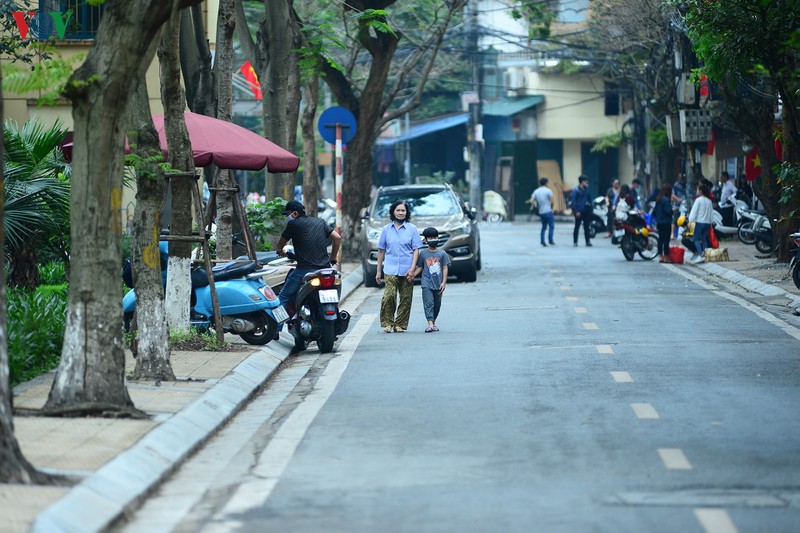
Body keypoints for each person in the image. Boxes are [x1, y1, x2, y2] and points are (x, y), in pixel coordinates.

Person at [276, 199, 342, 319]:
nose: (286, 217)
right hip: (325, 270)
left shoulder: (293, 224)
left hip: (304, 270)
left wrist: (280, 251)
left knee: (284, 297)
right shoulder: (320, 222)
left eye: (287, 214)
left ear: (294, 214)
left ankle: (276, 328)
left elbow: (280, 244)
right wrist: (332, 258)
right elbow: (337, 238)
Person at [376, 200, 423, 333]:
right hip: (390, 268)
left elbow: (416, 250)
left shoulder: (412, 229)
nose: (401, 213)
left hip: (407, 269)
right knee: (389, 295)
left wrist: (413, 268)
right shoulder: (386, 230)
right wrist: (378, 271)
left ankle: (400, 324)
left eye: (403, 210)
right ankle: (387, 322)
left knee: (406, 298)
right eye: (398, 210)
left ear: (407, 213)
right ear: (393, 212)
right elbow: (381, 251)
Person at [414, 227, 450, 332]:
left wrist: (444, 282)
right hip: (426, 283)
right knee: (428, 303)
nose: (433, 239)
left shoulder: (442, 254)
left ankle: (433, 322)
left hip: (438, 284)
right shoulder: (423, 254)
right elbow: (420, 267)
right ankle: (430, 324)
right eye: (430, 238)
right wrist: (412, 275)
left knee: (437, 304)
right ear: (425, 240)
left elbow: (445, 267)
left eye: (435, 237)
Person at [688, 184, 713, 264]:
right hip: (707, 223)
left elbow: (694, 211)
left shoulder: (698, 200)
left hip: (700, 222)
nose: (697, 191)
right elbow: (711, 213)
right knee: (704, 239)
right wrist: (711, 222)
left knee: (695, 238)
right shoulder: (709, 201)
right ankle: (705, 254)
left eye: (698, 190)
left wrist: (690, 220)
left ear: (701, 191)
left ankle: (700, 253)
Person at [530, 177, 555, 246]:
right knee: (551, 226)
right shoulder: (548, 191)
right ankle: (550, 240)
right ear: (546, 183)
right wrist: (551, 208)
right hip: (548, 210)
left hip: (541, 212)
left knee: (543, 227)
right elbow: (552, 202)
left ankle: (542, 241)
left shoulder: (536, 191)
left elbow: (531, 201)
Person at [653, 183, 674, 263]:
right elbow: (668, 211)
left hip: (659, 222)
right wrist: (673, 210)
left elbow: (654, 212)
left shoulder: (658, 199)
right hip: (666, 222)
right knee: (666, 241)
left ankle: (660, 256)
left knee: (660, 240)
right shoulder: (666, 200)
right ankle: (666, 257)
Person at [570, 175, 593, 247]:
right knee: (577, 226)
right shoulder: (576, 190)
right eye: (586, 182)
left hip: (586, 211)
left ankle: (588, 241)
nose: (587, 183)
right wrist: (576, 211)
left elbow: (589, 198)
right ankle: (575, 241)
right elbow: (574, 201)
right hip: (579, 211)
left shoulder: (587, 189)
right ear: (582, 182)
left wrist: (591, 208)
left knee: (587, 227)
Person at [671, 173, 687, 239]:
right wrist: (678, 200)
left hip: (685, 205)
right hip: (677, 205)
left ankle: (682, 234)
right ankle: (672, 234)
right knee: (674, 220)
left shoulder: (686, 185)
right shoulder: (676, 185)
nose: (681, 180)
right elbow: (672, 195)